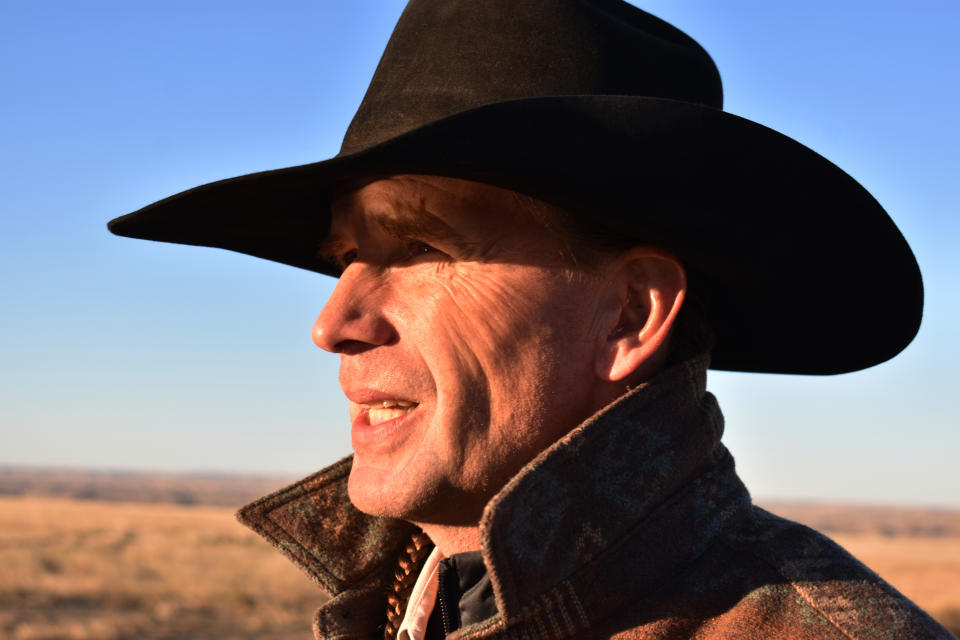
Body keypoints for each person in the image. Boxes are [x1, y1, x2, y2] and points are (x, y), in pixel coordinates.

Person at [108, 1, 952, 638]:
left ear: (630, 314)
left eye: (422, 247)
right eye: (345, 260)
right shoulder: (407, 601)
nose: (335, 323)